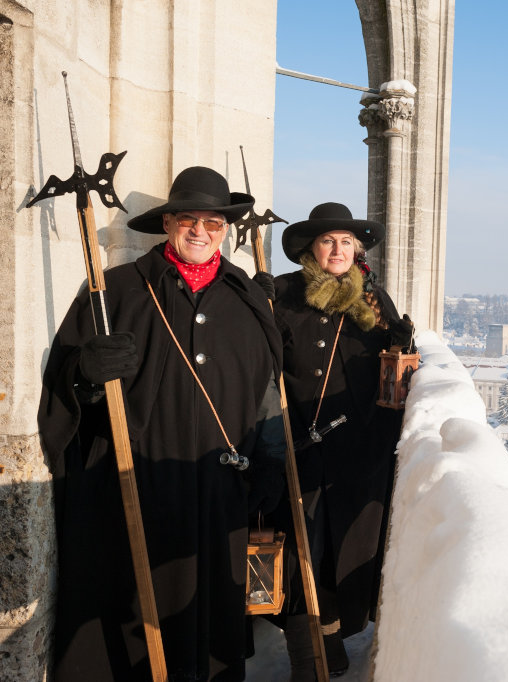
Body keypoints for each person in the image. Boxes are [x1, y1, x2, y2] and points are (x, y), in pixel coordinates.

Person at [38, 166, 287, 681]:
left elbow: (268, 397)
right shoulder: (117, 291)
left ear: (224, 231)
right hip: (136, 495)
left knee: (209, 631)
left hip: (221, 499)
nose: (200, 231)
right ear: (168, 224)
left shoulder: (247, 301)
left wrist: (266, 471)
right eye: (188, 220)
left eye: (213, 224)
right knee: (127, 634)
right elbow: (63, 390)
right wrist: (84, 372)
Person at [269, 202, 413, 678]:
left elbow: (395, 366)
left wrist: (403, 343)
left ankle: (330, 636)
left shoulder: (373, 300)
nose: (337, 249)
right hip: (300, 446)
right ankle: (307, 655)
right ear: (312, 247)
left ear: (356, 249)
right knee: (298, 551)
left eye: (346, 241)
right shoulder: (284, 294)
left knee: (343, 551)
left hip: (358, 451)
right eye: (328, 241)